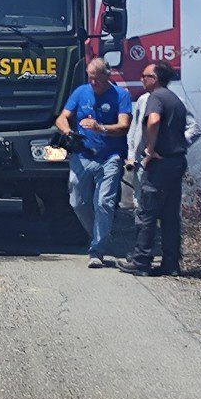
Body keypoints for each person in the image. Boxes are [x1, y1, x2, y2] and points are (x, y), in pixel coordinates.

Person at [55, 57, 132, 266]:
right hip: (82, 155)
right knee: (77, 202)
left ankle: (97, 249)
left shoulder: (121, 96)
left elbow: (124, 126)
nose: (93, 83)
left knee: (104, 203)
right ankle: (99, 234)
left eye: (97, 79)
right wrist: (68, 131)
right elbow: (62, 117)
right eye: (90, 79)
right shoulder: (81, 92)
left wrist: (101, 128)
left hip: (110, 157)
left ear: (108, 76)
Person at [124, 61, 192, 275]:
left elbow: (153, 121)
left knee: (148, 212)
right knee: (170, 214)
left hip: (160, 164)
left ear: (156, 79)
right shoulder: (175, 99)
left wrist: (150, 149)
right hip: (177, 161)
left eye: (145, 76)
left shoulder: (156, 97)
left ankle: (141, 261)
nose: (142, 79)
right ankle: (171, 263)